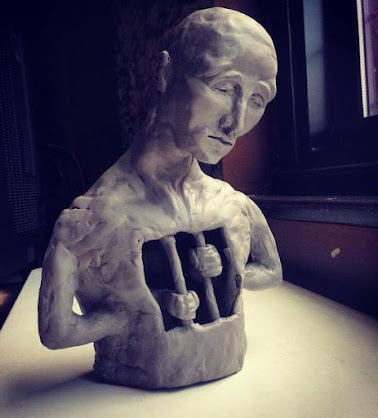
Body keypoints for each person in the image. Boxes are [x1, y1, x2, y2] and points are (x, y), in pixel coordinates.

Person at [38, 7, 282, 389]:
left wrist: (226, 270)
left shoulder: (232, 205)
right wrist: (133, 313)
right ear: (165, 74)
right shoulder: (96, 217)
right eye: (222, 88)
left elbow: (271, 272)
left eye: (257, 99)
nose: (235, 123)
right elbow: (56, 332)